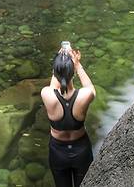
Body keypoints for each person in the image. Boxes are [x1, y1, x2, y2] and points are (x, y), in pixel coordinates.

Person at [41, 45, 96, 187]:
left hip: (57, 152)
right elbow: (91, 89)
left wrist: (59, 63)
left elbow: (55, 85)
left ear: (55, 71)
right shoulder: (84, 96)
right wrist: (77, 65)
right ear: (73, 72)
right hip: (81, 150)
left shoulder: (47, 94)